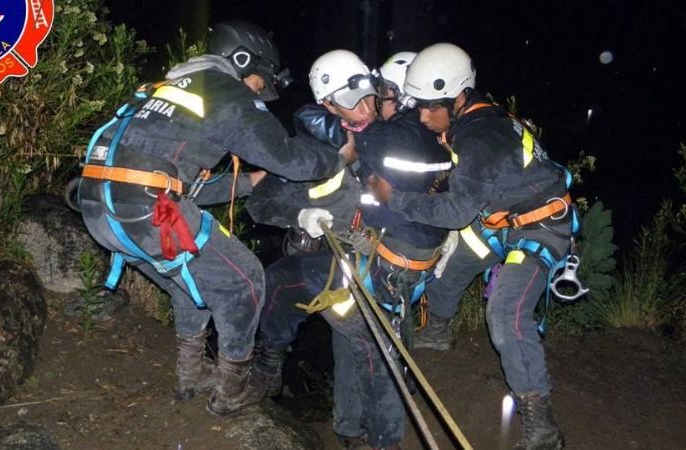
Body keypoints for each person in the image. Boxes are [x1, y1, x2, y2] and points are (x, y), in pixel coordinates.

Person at [77, 20, 353, 417]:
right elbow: (289, 159)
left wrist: (247, 184)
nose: (259, 92)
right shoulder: (226, 90)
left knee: (192, 283)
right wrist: (336, 158)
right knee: (245, 281)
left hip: (100, 208)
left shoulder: (162, 90)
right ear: (243, 63)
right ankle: (232, 390)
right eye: (261, 83)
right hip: (145, 208)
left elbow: (180, 185)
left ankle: (190, 374)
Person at [368, 42, 573, 450]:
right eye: (420, 106)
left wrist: (395, 199)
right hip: (503, 220)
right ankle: (440, 331)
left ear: (458, 97)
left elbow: (457, 212)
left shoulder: (480, 137)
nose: (423, 116)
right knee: (451, 265)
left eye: (431, 107)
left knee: (505, 314)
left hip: (540, 228)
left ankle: (542, 424)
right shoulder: (474, 118)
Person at [247, 49, 450, 450]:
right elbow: (262, 201)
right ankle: (268, 364)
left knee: (367, 344)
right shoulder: (313, 149)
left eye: (369, 97)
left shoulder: (388, 139)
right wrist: (301, 212)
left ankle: (365, 436)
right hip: (337, 260)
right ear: (328, 104)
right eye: (350, 100)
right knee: (282, 283)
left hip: (381, 266)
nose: (364, 108)